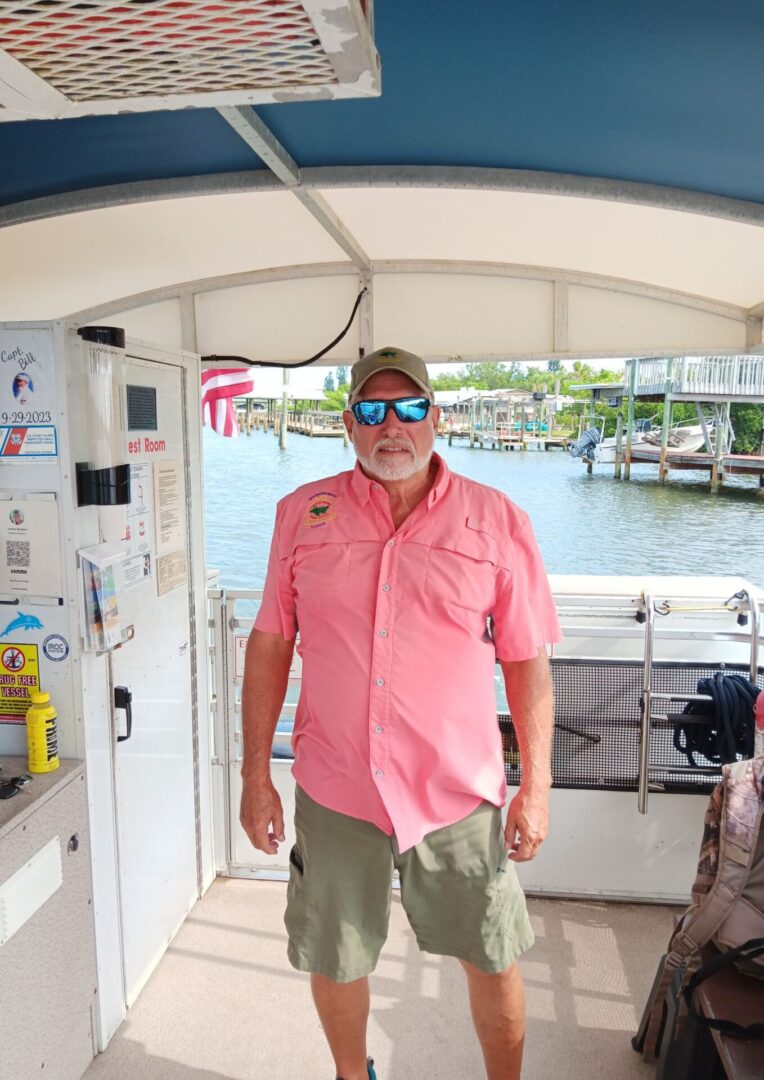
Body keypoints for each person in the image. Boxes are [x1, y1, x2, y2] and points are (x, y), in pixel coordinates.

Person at [240, 346, 562, 1080]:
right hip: (336, 785)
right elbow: (269, 645)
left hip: (456, 793)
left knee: (492, 952)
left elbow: (526, 662)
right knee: (336, 951)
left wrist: (536, 789)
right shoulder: (300, 515)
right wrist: (255, 776)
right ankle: (354, 1077)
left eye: (411, 408)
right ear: (349, 424)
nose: (394, 425)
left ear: (436, 419)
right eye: (374, 409)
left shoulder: (498, 521)